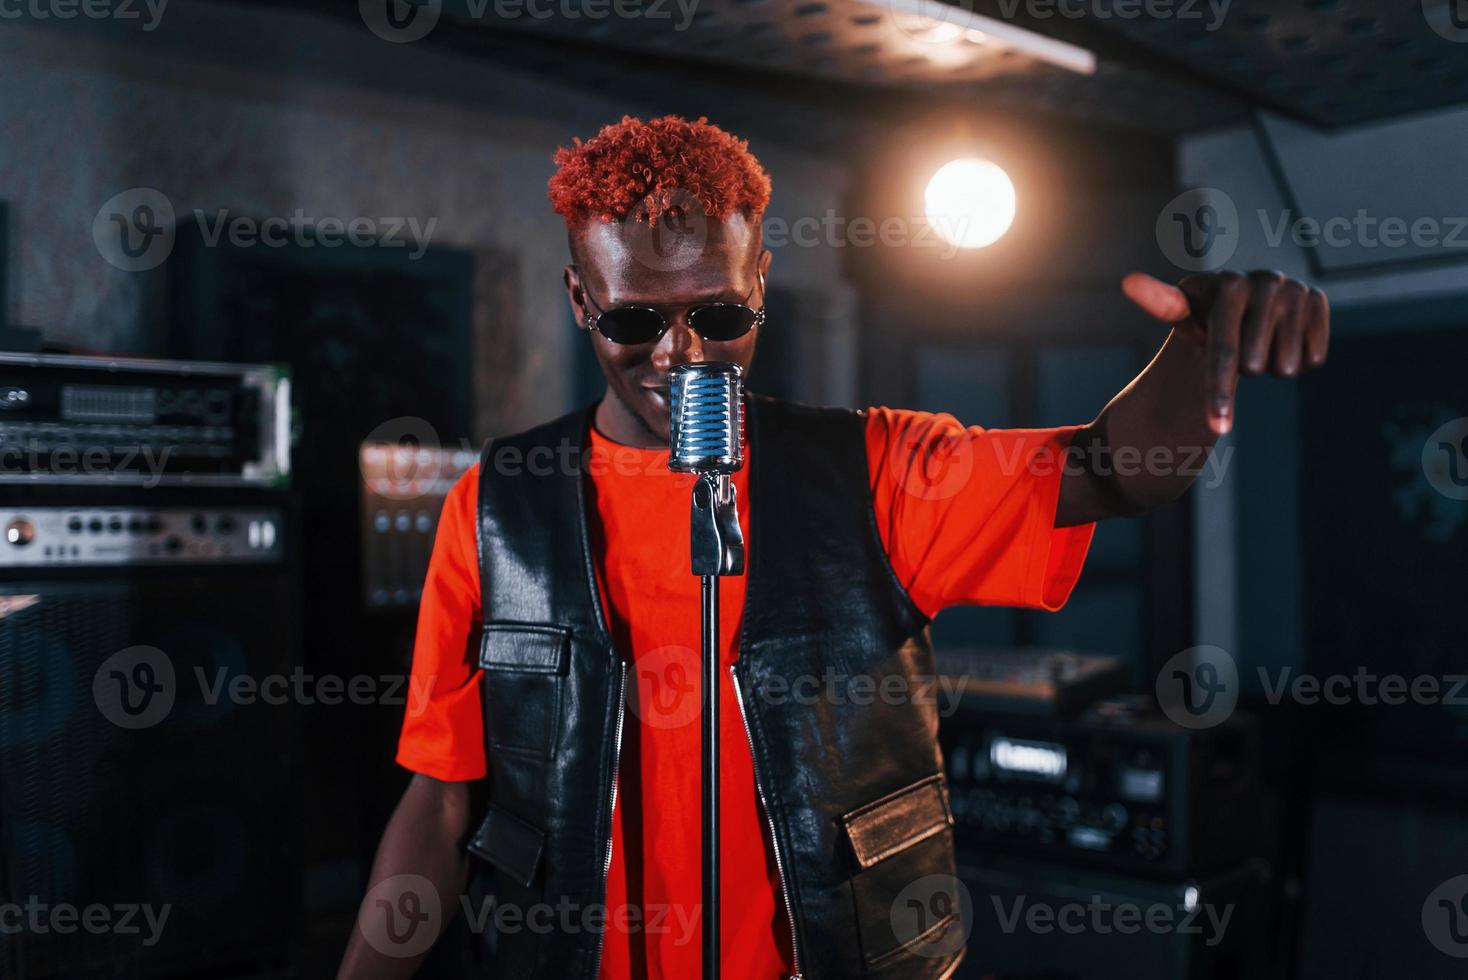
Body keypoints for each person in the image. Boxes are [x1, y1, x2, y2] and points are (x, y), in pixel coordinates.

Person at [337, 115, 1329, 980]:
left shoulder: (877, 470)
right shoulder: (497, 504)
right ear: (578, 299)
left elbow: (1113, 469)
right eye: (635, 318)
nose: (680, 354)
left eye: (717, 315)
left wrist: (1200, 348)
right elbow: (437, 803)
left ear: (760, 282)